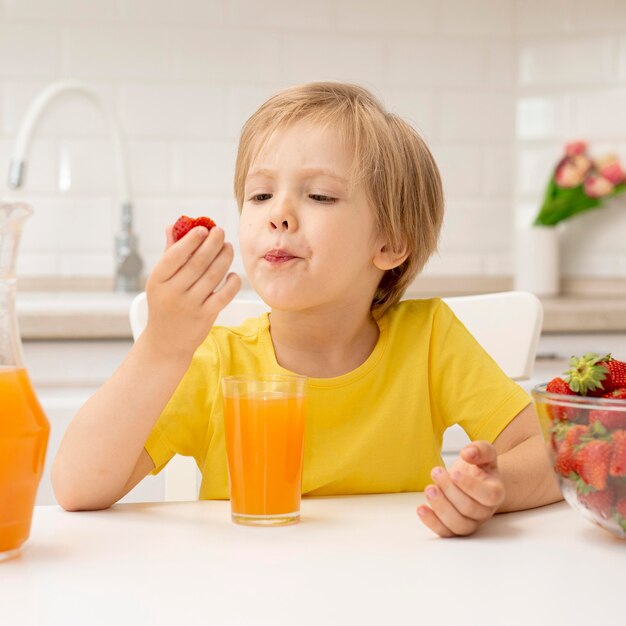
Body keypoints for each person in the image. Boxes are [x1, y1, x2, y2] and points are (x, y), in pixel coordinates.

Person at [52, 82, 562, 537]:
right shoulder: (211, 360)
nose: (279, 214)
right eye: (260, 194)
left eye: (318, 195)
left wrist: (492, 489)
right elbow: (77, 486)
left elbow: (559, 451)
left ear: (389, 243)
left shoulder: (430, 341)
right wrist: (162, 347)